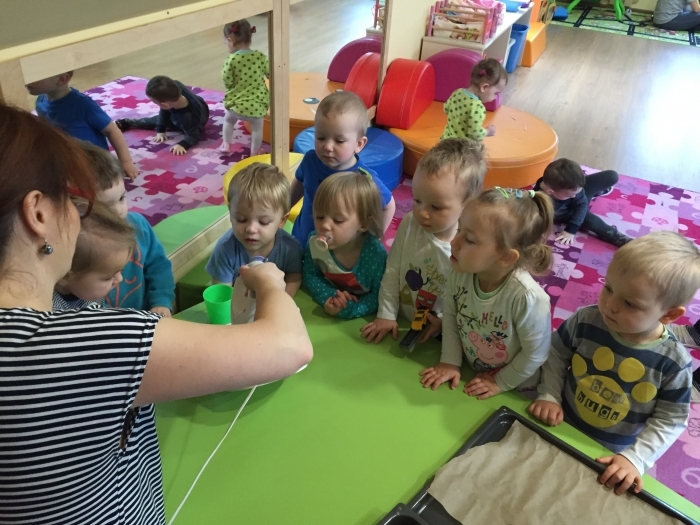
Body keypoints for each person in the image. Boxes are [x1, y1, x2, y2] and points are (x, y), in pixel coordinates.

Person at [0, 103, 312, 524]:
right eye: (76, 204)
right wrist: (270, 282)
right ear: (39, 214)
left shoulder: (61, 312)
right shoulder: (80, 342)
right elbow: (289, 346)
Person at [529, 231, 699, 496]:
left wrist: (636, 458)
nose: (609, 304)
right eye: (608, 287)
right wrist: (549, 394)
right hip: (558, 422)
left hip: (608, 454)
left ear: (668, 314)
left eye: (629, 303)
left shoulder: (674, 363)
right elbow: (556, 352)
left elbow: (670, 419)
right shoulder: (586, 320)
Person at [420, 188, 553, 399]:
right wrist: (450, 361)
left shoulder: (528, 298)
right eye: (459, 229)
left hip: (516, 387)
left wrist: (500, 382)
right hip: (471, 372)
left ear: (506, 257)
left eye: (469, 240)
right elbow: (452, 316)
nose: (454, 242)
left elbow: (536, 354)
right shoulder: (460, 270)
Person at [361, 138, 486, 345]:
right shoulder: (410, 222)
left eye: (436, 207)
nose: (422, 213)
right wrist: (386, 314)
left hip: (437, 335)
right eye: (417, 200)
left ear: (468, 204)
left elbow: (469, 299)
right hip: (398, 319)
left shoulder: (469, 247)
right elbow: (392, 270)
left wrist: (443, 323)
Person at [79, 141, 175, 316]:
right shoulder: (80, 245)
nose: (119, 210)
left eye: (122, 198)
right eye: (106, 207)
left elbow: (158, 265)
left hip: (146, 316)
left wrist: (161, 299)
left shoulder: (137, 224)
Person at [290, 91, 396, 248]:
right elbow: (299, 184)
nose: (328, 146)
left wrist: (373, 238)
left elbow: (388, 206)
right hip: (302, 240)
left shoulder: (362, 178)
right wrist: (282, 210)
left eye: (339, 141)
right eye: (321, 137)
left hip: (339, 252)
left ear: (359, 144)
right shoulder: (311, 160)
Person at [206, 163, 303, 295]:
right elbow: (223, 295)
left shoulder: (290, 248)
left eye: (263, 222)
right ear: (231, 214)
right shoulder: (225, 249)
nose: (251, 229)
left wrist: (283, 299)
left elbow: (294, 277)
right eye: (241, 219)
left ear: (281, 221)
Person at [303, 172, 387, 319]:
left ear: (363, 223)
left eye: (338, 220)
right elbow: (310, 275)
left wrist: (349, 309)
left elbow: (380, 295)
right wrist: (330, 297)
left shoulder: (375, 254)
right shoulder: (314, 242)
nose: (325, 225)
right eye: (319, 217)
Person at [26, 71, 138, 180]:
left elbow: (112, 130)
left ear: (61, 79)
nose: (26, 80)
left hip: (94, 166)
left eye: (34, 76)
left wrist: (125, 162)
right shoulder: (40, 101)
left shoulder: (84, 106)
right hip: (66, 160)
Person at [53, 203, 135, 310]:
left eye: (120, 271)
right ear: (65, 275)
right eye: (108, 278)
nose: (120, 279)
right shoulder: (54, 310)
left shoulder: (85, 291)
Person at [534, 158, 632, 247]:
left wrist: (571, 230)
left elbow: (581, 204)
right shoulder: (537, 198)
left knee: (612, 176)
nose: (574, 196)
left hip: (578, 198)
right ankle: (630, 243)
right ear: (550, 192)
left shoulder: (570, 191)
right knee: (594, 223)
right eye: (570, 195)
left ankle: (588, 190)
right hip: (570, 213)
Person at [116, 75, 210, 155]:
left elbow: (194, 136)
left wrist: (182, 144)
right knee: (162, 119)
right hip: (198, 105)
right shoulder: (176, 86)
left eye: (156, 103)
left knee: (152, 121)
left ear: (165, 105)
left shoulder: (186, 118)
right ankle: (126, 123)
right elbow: (165, 109)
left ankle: (127, 122)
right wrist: (160, 130)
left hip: (194, 120)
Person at [219, 19, 269, 156]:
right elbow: (270, 73)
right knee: (257, 129)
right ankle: (255, 151)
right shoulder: (260, 56)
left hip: (236, 106)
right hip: (257, 107)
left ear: (231, 40)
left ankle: (226, 144)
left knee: (228, 121)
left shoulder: (231, 60)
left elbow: (227, 80)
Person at [440, 58, 507, 142]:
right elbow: (475, 134)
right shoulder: (477, 108)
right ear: (484, 87)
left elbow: (446, 108)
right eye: (496, 93)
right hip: (462, 147)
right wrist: (488, 132)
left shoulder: (457, 92)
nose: (496, 97)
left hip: (445, 142)